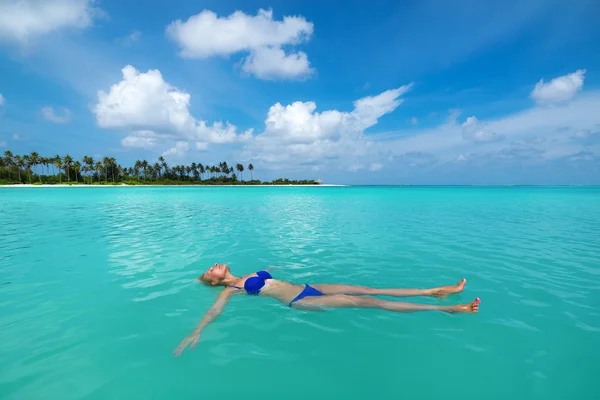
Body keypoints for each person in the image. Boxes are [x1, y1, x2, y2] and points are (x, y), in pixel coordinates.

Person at [174, 264, 481, 356]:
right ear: (215, 283)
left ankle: (436, 291)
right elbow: (215, 311)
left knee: (368, 289)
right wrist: (198, 329)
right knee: (366, 302)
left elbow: (268, 275)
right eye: (209, 271)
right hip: (301, 301)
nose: (213, 267)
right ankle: (449, 310)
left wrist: (269, 270)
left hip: (309, 286)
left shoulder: (246, 274)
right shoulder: (231, 289)